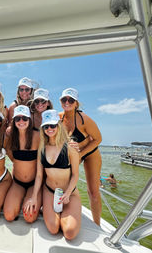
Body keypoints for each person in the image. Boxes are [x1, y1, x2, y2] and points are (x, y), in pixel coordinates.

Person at [24, 109, 81, 240]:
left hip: (69, 193)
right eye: (46, 126)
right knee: (53, 229)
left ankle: (67, 211)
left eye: (53, 125)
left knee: (69, 233)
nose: (49, 128)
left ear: (58, 125)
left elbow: (75, 175)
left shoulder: (70, 147)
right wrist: (33, 197)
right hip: (49, 192)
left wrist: (67, 193)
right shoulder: (42, 148)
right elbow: (39, 176)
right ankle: (51, 210)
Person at [59, 88, 102, 226]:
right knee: (63, 183)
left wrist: (81, 154)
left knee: (93, 192)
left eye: (71, 100)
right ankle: (64, 212)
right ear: (60, 101)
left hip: (90, 153)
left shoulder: (85, 120)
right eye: (64, 99)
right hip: (73, 154)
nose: (67, 102)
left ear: (76, 103)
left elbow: (97, 139)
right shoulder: (59, 118)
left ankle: (97, 224)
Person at [3, 105, 41, 223]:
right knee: (9, 216)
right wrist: (15, 161)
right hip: (17, 183)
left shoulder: (37, 136)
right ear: (14, 121)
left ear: (29, 120)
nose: (21, 121)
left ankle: (32, 198)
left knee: (29, 218)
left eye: (24, 118)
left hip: (34, 184)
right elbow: (6, 149)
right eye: (17, 119)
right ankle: (22, 198)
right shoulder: (11, 136)